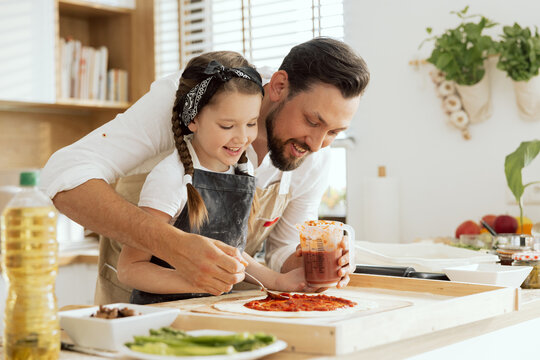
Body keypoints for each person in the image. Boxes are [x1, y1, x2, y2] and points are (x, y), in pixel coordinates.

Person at [41, 37, 369, 304]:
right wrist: (173, 245)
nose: (317, 143)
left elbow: (279, 250)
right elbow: (63, 174)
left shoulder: (315, 153)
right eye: (313, 121)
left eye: (334, 132)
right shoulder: (199, 96)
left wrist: (301, 266)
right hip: (133, 312)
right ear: (280, 85)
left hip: (226, 311)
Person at [116, 52, 307, 304]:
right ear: (193, 119)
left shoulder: (241, 169)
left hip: (210, 312)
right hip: (163, 316)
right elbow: (130, 268)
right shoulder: (169, 178)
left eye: (251, 124)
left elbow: (230, 253)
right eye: (227, 126)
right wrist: (197, 279)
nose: (242, 138)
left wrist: (278, 281)